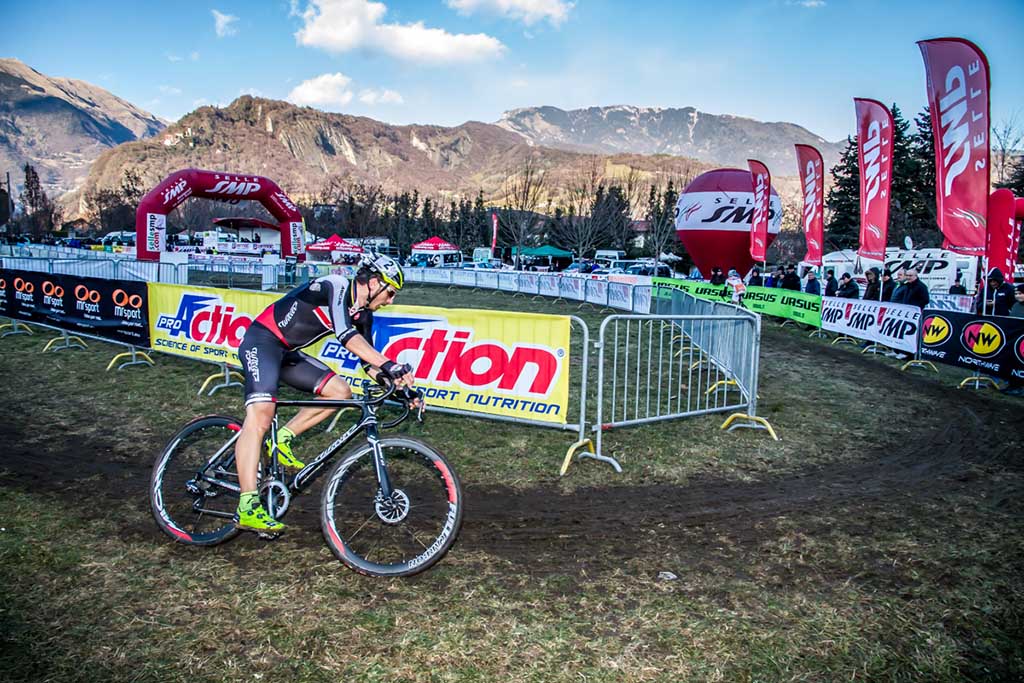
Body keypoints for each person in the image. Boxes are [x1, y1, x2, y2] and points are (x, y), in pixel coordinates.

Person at [233, 252, 416, 534]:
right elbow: (345, 335)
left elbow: (367, 363)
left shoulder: (364, 315)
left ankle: (281, 440)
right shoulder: (336, 285)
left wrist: (400, 389)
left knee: (340, 392)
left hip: (288, 353)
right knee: (261, 415)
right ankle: (247, 506)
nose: (390, 301)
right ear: (374, 282)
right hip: (262, 342)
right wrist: (391, 365)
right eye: (390, 292)